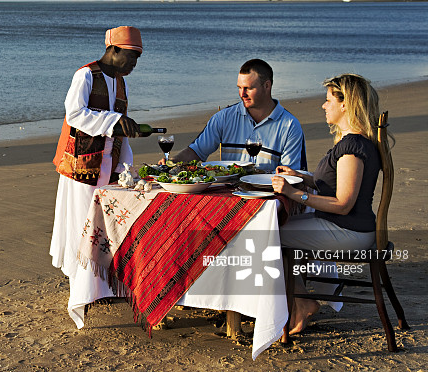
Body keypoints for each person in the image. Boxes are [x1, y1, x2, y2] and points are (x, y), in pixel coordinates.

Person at [272, 73, 384, 333]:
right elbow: (334, 184)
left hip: (350, 231)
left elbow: (343, 203)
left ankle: (301, 302)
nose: (324, 105)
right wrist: (301, 178)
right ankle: (298, 301)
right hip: (347, 226)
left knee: (264, 237)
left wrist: (292, 193)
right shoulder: (353, 142)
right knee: (272, 232)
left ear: (345, 104)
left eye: (328, 100)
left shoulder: (353, 147)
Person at [50, 26, 143, 279]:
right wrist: (113, 121)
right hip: (82, 166)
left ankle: (100, 282)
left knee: (104, 227)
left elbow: (117, 127)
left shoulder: (120, 82)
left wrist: (126, 165)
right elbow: (75, 114)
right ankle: (81, 282)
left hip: (109, 165)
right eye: (131, 56)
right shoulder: (86, 75)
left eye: (137, 58)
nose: (134, 63)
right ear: (113, 50)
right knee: (83, 223)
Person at [170, 59, 306, 172]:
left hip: (269, 195)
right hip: (229, 193)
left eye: (248, 88)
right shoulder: (223, 118)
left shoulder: (289, 126)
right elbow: (197, 152)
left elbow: (291, 175)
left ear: (267, 86)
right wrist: (171, 163)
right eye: (239, 88)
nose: (242, 94)